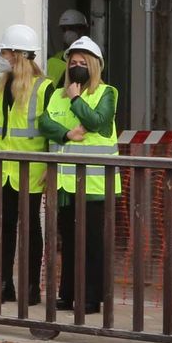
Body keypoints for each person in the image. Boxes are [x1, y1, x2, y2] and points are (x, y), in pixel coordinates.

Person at [39, 35, 119, 314]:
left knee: (93, 243)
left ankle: (92, 297)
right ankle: (68, 293)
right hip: (65, 182)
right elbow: (44, 122)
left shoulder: (106, 92)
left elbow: (97, 121)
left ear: (95, 65)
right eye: (73, 62)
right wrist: (66, 133)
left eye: (83, 62)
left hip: (96, 183)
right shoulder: (57, 94)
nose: (77, 66)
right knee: (69, 242)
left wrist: (76, 99)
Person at [0, 24, 54, 305]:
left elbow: (52, 132)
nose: (0, 56)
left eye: (4, 51)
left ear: (17, 54)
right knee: (4, 229)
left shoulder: (45, 88)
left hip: (31, 172)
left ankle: (30, 288)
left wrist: (52, 169)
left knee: (30, 231)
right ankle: (3, 287)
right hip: (3, 171)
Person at [47, 8, 90, 86]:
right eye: (64, 29)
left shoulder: (92, 56)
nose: (67, 33)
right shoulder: (56, 58)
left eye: (71, 28)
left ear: (82, 29)